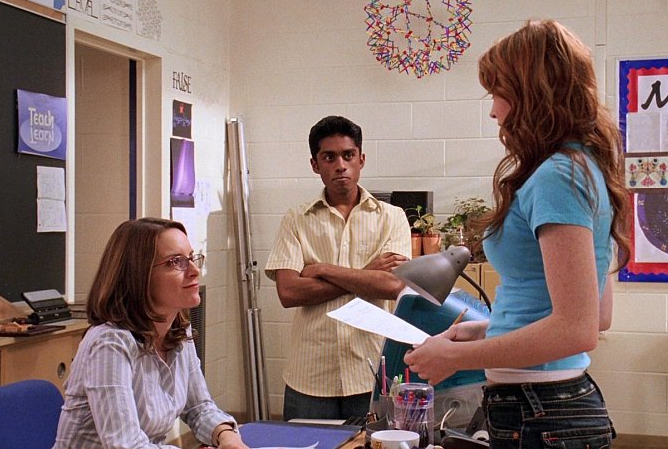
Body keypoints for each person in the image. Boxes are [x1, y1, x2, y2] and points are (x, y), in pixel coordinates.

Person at [404, 19, 630, 448]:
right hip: (547, 405)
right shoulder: (580, 167)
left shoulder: (557, 176)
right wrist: (488, 330)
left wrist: (456, 356)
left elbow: (577, 329)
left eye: (498, 93)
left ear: (531, 94)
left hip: (540, 409)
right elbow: (595, 315)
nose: (493, 111)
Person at [54, 218, 248, 449]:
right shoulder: (110, 343)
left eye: (191, 258)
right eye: (176, 262)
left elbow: (199, 407)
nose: (195, 271)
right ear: (139, 275)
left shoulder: (178, 331)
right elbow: (125, 445)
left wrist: (226, 435)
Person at [265, 115, 412, 421]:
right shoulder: (296, 219)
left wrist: (323, 269)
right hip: (310, 376)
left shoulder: (392, 217)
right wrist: (367, 273)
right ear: (315, 164)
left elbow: (392, 286)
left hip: (371, 372)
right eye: (329, 157)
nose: (340, 165)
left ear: (361, 159)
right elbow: (289, 292)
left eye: (348, 155)